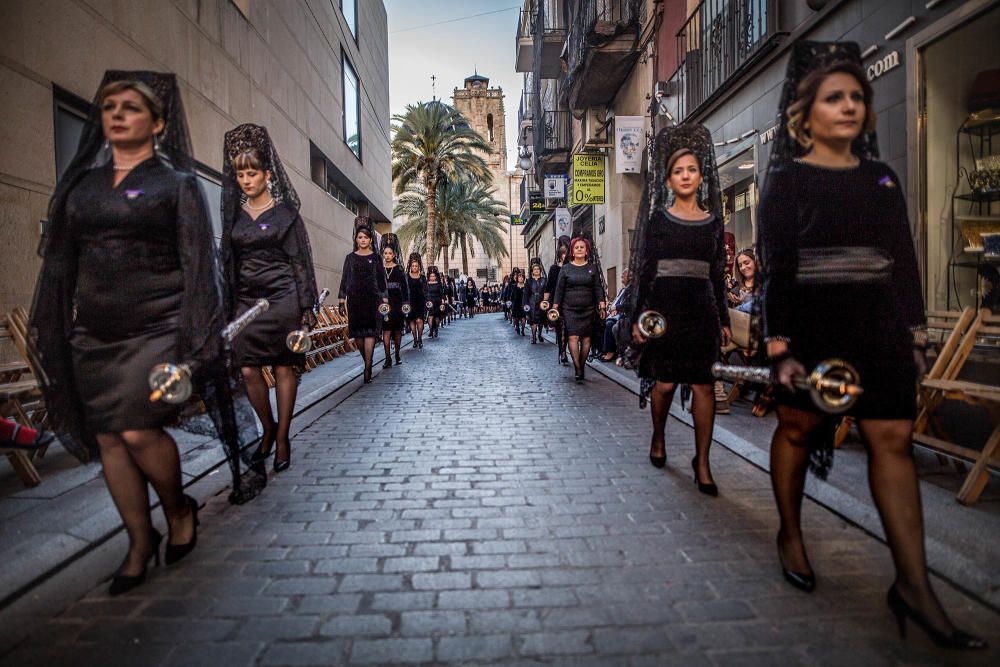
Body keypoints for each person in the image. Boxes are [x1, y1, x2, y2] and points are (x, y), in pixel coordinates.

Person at [758, 40, 985, 649]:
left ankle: (914, 585)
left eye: (858, 96)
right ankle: (791, 533)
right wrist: (779, 345)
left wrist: (912, 332)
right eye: (835, 97)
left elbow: (904, 262)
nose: (850, 106)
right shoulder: (785, 183)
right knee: (800, 431)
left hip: (878, 329)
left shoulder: (882, 179)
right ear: (804, 116)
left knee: (892, 441)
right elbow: (776, 268)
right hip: (812, 327)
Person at [29, 71, 261, 597]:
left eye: (130, 107)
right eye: (108, 105)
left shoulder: (174, 185)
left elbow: (199, 265)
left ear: (157, 123)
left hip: (157, 327)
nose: (115, 113)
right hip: (94, 334)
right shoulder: (83, 188)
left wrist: (197, 340)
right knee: (109, 436)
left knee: (136, 429)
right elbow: (62, 263)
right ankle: (139, 539)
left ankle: (179, 508)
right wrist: (60, 325)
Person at [629, 125, 731, 495]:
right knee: (666, 383)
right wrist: (640, 318)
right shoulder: (659, 221)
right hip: (665, 312)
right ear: (669, 180)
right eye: (678, 171)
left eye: (691, 169)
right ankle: (659, 437)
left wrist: (721, 317)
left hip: (701, 311)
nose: (685, 176)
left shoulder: (714, 223)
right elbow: (645, 271)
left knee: (704, 386)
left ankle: (702, 462)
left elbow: (718, 274)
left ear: (701, 176)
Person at [221, 124, 318, 474]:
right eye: (240, 174)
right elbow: (228, 262)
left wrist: (306, 309)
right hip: (247, 302)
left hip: (282, 299)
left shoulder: (286, 214)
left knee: (283, 365)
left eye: (252, 172)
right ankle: (268, 427)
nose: (246, 180)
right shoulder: (233, 216)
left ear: (267, 174)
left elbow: (301, 263)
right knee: (247, 368)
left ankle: (281, 439)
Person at [338, 218, 388, 383]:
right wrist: (341, 299)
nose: (363, 240)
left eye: (365, 237)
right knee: (358, 336)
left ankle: (368, 366)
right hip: (355, 301)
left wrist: (385, 299)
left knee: (371, 332)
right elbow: (345, 279)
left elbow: (382, 281)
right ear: (356, 239)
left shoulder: (376, 258)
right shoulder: (350, 258)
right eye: (360, 237)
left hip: (373, 300)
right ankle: (366, 359)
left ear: (370, 240)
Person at [553, 237, 606, 382]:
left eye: (582, 247)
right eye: (576, 247)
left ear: (587, 250)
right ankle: (577, 368)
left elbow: (598, 287)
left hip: (588, 308)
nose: (579, 250)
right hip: (569, 309)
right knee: (573, 337)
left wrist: (602, 304)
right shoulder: (565, 269)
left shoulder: (592, 268)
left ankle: (582, 365)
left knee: (587, 339)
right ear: (572, 251)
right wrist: (555, 307)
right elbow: (559, 289)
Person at [380, 233, 409, 368]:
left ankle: (397, 354)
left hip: (397, 304)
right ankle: (387, 358)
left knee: (397, 331)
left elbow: (405, 288)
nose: (387, 255)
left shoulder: (399, 269)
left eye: (390, 253)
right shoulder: (379, 269)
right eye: (385, 253)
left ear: (394, 254)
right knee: (386, 331)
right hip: (384, 305)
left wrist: (406, 304)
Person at [544, 237, 571, 365]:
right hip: (557, 302)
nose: (565, 255)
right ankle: (563, 352)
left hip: (572, 301)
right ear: (560, 255)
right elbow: (549, 286)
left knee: (570, 329)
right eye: (563, 253)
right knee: (561, 328)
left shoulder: (572, 267)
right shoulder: (554, 269)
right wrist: (545, 303)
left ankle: (569, 351)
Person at [600, 268, 632, 362]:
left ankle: (611, 352)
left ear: (629, 277)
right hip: (614, 314)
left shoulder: (632, 289)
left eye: (623, 275)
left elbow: (630, 305)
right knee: (599, 321)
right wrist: (611, 310)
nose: (621, 277)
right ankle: (602, 350)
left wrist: (617, 308)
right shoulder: (623, 289)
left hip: (624, 315)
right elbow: (614, 303)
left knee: (609, 324)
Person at [405, 253, 427, 349]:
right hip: (410, 302)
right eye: (413, 266)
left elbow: (426, 290)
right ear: (410, 266)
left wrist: (427, 300)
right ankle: (414, 339)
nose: (414, 267)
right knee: (412, 321)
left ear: (419, 267)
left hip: (420, 302)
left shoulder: (422, 277)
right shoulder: (406, 277)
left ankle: (420, 338)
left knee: (419, 320)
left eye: (416, 266)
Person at [727, 248, 758, 313]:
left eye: (746, 263)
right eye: (740, 265)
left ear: (755, 262)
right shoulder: (734, 284)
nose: (743, 268)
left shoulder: (764, 283)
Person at [524, 261, 547, 344]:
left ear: (540, 271)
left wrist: (546, 302)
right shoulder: (529, 281)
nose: (536, 270)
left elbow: (547, 291)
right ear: (532, 271)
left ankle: (540, 334)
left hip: (542, 302)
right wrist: (525, 304)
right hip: (532, 302)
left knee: (541, 320)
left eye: (538, 269)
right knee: (533, 320)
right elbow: (526, 294)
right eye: (535, 269)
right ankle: (533, 337)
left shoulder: (544, 280)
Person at [425, 266, 444, 339]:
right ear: (429, 277)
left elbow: (441, 293)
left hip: (437, 301)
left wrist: (442, 299)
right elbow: (425, 293)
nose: (432, 277)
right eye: (431, 276)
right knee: (430, 316)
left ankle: (436, 328)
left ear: (435, 277)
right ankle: (430, 330)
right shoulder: (427, 284)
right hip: (429, 302)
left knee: (436, 316)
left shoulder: (438, 284)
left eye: (433, 276)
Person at [510, 272, 528, 336]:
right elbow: (511, 296)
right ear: (517, 278)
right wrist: (511, 304)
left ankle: (523, 329)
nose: (520, 278)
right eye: (519, 277)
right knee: (516, 318)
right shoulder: (514, 286)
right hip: (516, 304)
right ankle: (517, 327)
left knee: (523, 318)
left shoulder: (526, 286)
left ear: (524, 278)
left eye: (522, 277)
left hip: (524, 304)